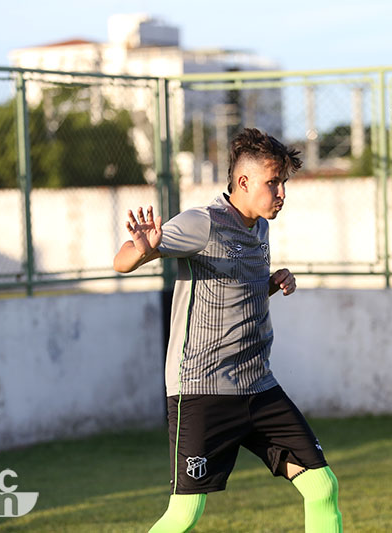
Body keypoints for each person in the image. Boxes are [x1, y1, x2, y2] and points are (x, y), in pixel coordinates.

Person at [113, 128, 343, 532]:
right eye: (274, 183)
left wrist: (270, 284)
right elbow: (121, 261)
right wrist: (145, 250)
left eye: (283, 183)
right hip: (204, 390)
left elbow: (233, 292)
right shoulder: (203, 223)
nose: (282, 193)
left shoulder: (260, 228)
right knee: (185, 513)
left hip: (259, 387)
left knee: (321, 485)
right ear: (243, 182)